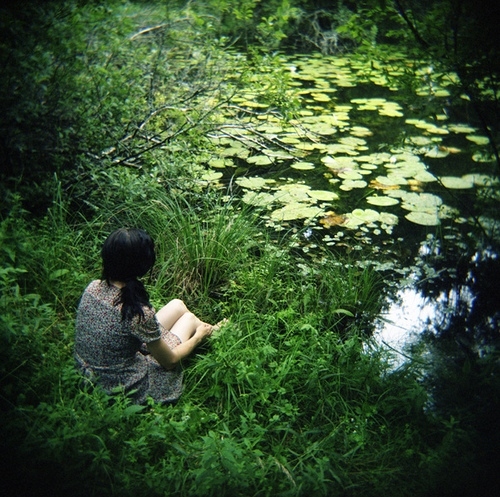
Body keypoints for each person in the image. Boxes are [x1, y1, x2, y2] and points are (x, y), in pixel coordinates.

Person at [74, 227, 219, 404]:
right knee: (188, 319)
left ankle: (211, 330)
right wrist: (198, 338)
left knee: (177, 305)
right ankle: (210, 332)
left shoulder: (93, 287)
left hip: (90, 372)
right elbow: (170, 361)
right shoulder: (136, 313)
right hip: (120, 385)